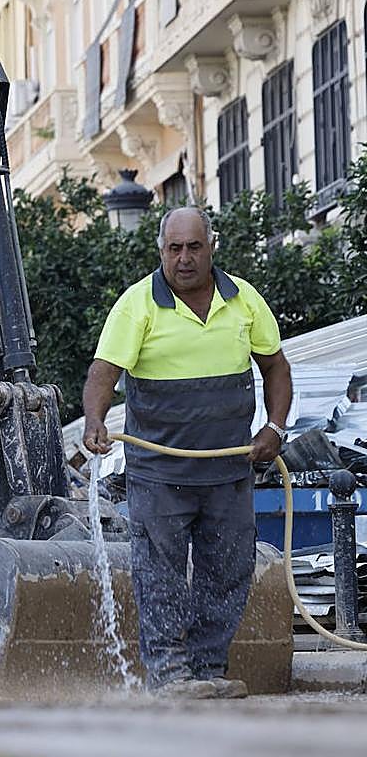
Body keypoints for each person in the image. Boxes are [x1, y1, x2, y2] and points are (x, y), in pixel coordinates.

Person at [81, 206, 293, 700]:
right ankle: (170, 675)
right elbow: (103, 374)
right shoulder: (138, 305)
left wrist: (275, 428)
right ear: (161, 252)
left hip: (229, 470)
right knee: (161, 576)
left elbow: (276, 369)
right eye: (174, 249)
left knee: (229, 570)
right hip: (159, 474)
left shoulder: (244, 301)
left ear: (210, 246)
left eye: (193, 247)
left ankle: (208, 670)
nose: (184, 259)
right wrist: (95, 419)